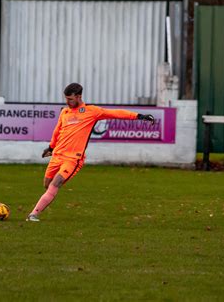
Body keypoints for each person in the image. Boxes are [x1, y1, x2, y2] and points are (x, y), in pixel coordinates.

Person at [27, 83, 155, 222]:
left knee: (55, 184)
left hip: (73, 159)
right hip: (57, 155)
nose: (67, 102)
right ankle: (42, 205)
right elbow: (57, 131)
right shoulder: (65, 112)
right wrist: (51, 148)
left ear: (79, 96)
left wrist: (139, 116)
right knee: (47, 184)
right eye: (66, 99)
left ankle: (33, 214)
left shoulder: (91, 111)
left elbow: (116, 113)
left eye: (70, 99)